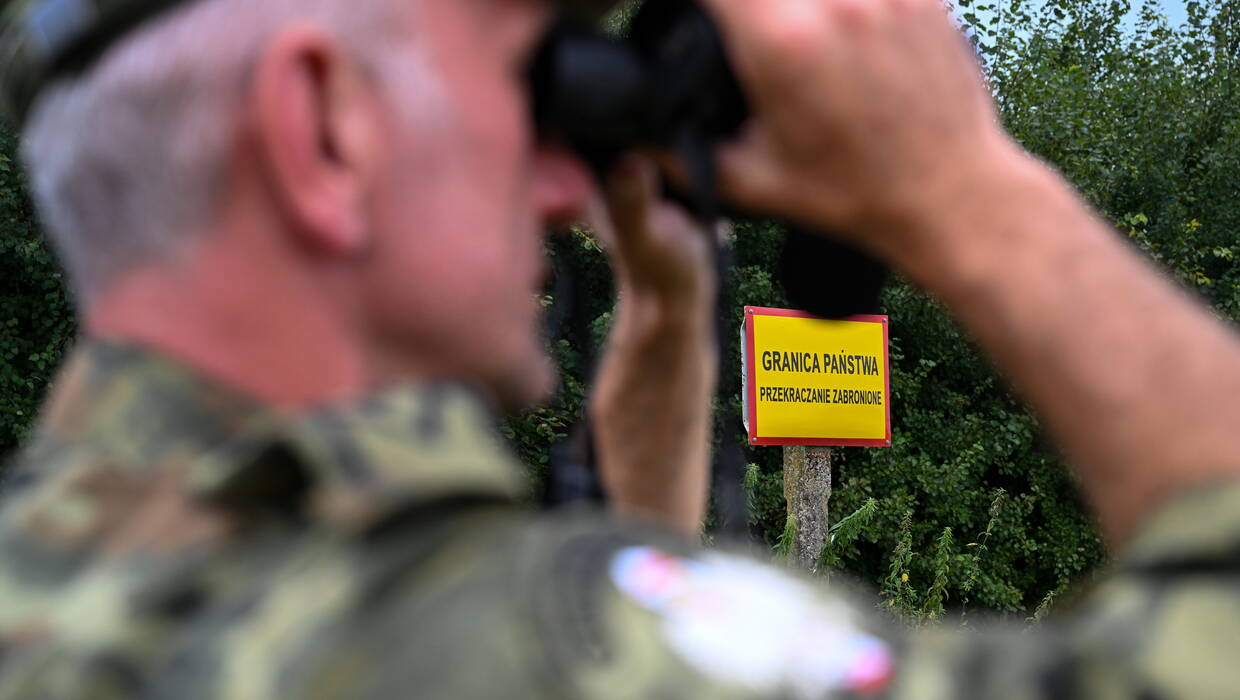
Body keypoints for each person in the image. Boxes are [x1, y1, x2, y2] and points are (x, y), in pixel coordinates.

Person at [0, 0, 1237, 697]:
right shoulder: (513, 640)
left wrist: (665, 314)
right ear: (322, 129)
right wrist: (962, 188)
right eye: (523, 81)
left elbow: (624, 601)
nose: (558, 178)